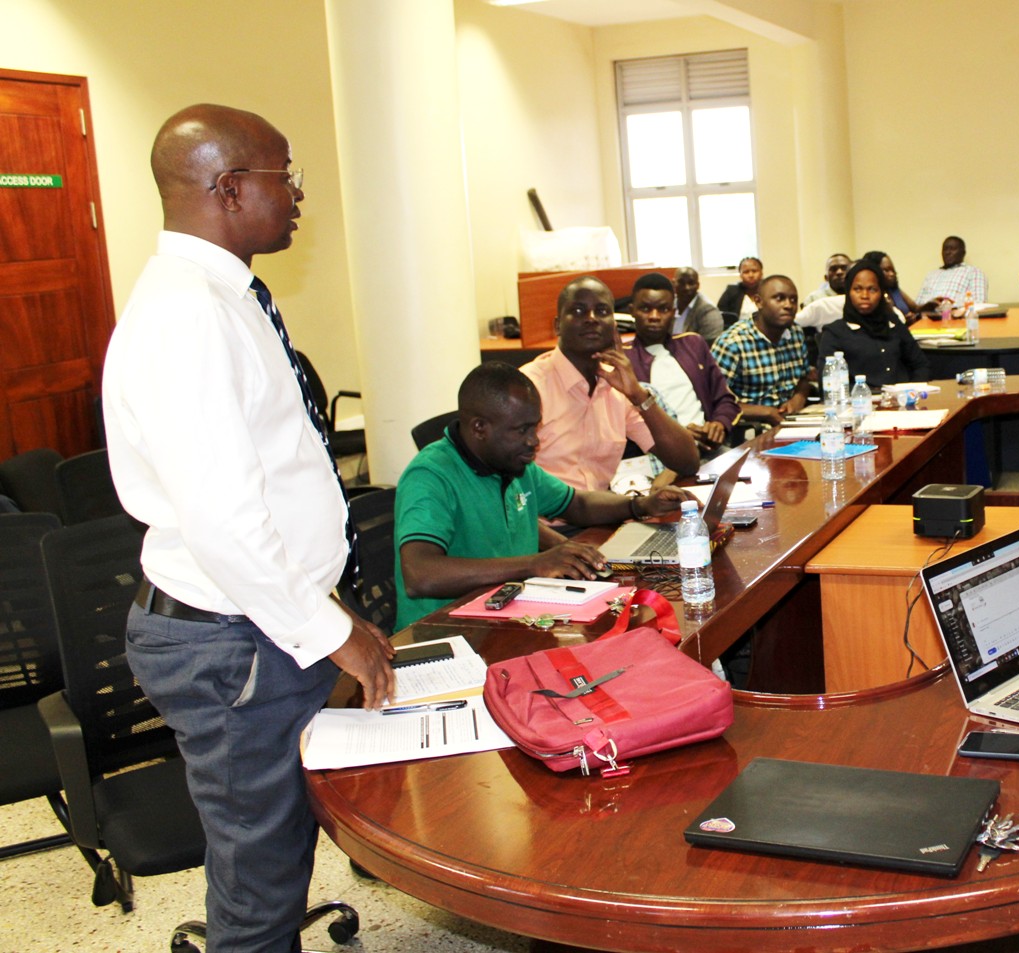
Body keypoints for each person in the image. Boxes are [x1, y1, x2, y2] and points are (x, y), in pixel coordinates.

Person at [101, 103, 396, 953]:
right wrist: (334, 631)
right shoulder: (188, 316)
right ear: (228, 189)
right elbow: (225, 524)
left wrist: (327, 602)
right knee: (259, 895)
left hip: (263, 616)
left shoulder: (225, 297)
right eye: (285, 176)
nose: (299, 195)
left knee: (277, 852)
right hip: (232, 640)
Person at [394, 363, 687, 630]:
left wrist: (641, 504)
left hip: (505, 619)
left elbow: (577, 504)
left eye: (534, 427)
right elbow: (420, 575)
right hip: (444, 635)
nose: (533, 441)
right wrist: (535, 563)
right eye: (521, 430)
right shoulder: (431, 476)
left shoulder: (512, 465)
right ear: (479, 428)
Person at [520, 276, 699, 490]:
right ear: (558, 325)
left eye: (602, 311)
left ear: (614, 326)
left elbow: (687, 462)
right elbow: (509, 486)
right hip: (543, 521)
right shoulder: (528, 387)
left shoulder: (617, 388)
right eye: (578, 311)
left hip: (602, 515)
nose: (592, 318)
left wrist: (638, 395)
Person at [625, 273, 741, 455]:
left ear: (673, 312)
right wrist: (680, 436)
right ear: (632, 311)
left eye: (663, 309)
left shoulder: (693, 345)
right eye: (646, 309)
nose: (654, 316)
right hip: (659, 457)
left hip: (708, 450)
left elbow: (725, 399)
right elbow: (624, 424)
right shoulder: (623, 360)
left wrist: (719, 424)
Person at [710, 274, 814, 427]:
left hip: (791, 422)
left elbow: (804, 378)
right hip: (750, 428)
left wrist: (798, 398)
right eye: (779, 298)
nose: (788, 305)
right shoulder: (733, 342)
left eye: (793, 300)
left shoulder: (796, 333)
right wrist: (765, 412)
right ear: (758, 302)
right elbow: (713, 400)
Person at [816, 260, 931, 389]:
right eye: (857, 289)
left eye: (872, 289)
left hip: (903, 400)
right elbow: (828, 383)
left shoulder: (893, 324)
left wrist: (912, 392)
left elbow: (920, 365)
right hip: (861, 403)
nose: (865, 295)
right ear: (848, 292)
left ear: (881, 292)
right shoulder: (835, 332)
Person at [917, 235, 988, 314]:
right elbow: (918, 304)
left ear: (963, 253)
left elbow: (979, 303)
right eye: (945, 249)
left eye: (952, 249)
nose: (948, 252)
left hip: (955, 319)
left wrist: (949, 305)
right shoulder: (931, 275)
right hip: (925, 319)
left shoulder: (973, 272)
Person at [861, 250, 938, 321]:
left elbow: (915, 308)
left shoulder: (894, 290)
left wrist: (930, 304)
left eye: (893, 270)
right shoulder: (872, 298)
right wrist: (905, 322)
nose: (892, 274)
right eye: (887, 270)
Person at [672, 266, 724, 341]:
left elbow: (708, 348)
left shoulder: (709, 311)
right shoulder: (668, 306)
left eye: (691, 283)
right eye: (681, 282)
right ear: (674, 283)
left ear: (698, 285)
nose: (686, 288)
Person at [716, 256, 763, 324]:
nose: (751, 275)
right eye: (746, 272)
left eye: (754, 271)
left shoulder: (769, 291)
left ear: (761, 273)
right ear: (740, 275)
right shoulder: (731, 291)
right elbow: (720, 314)